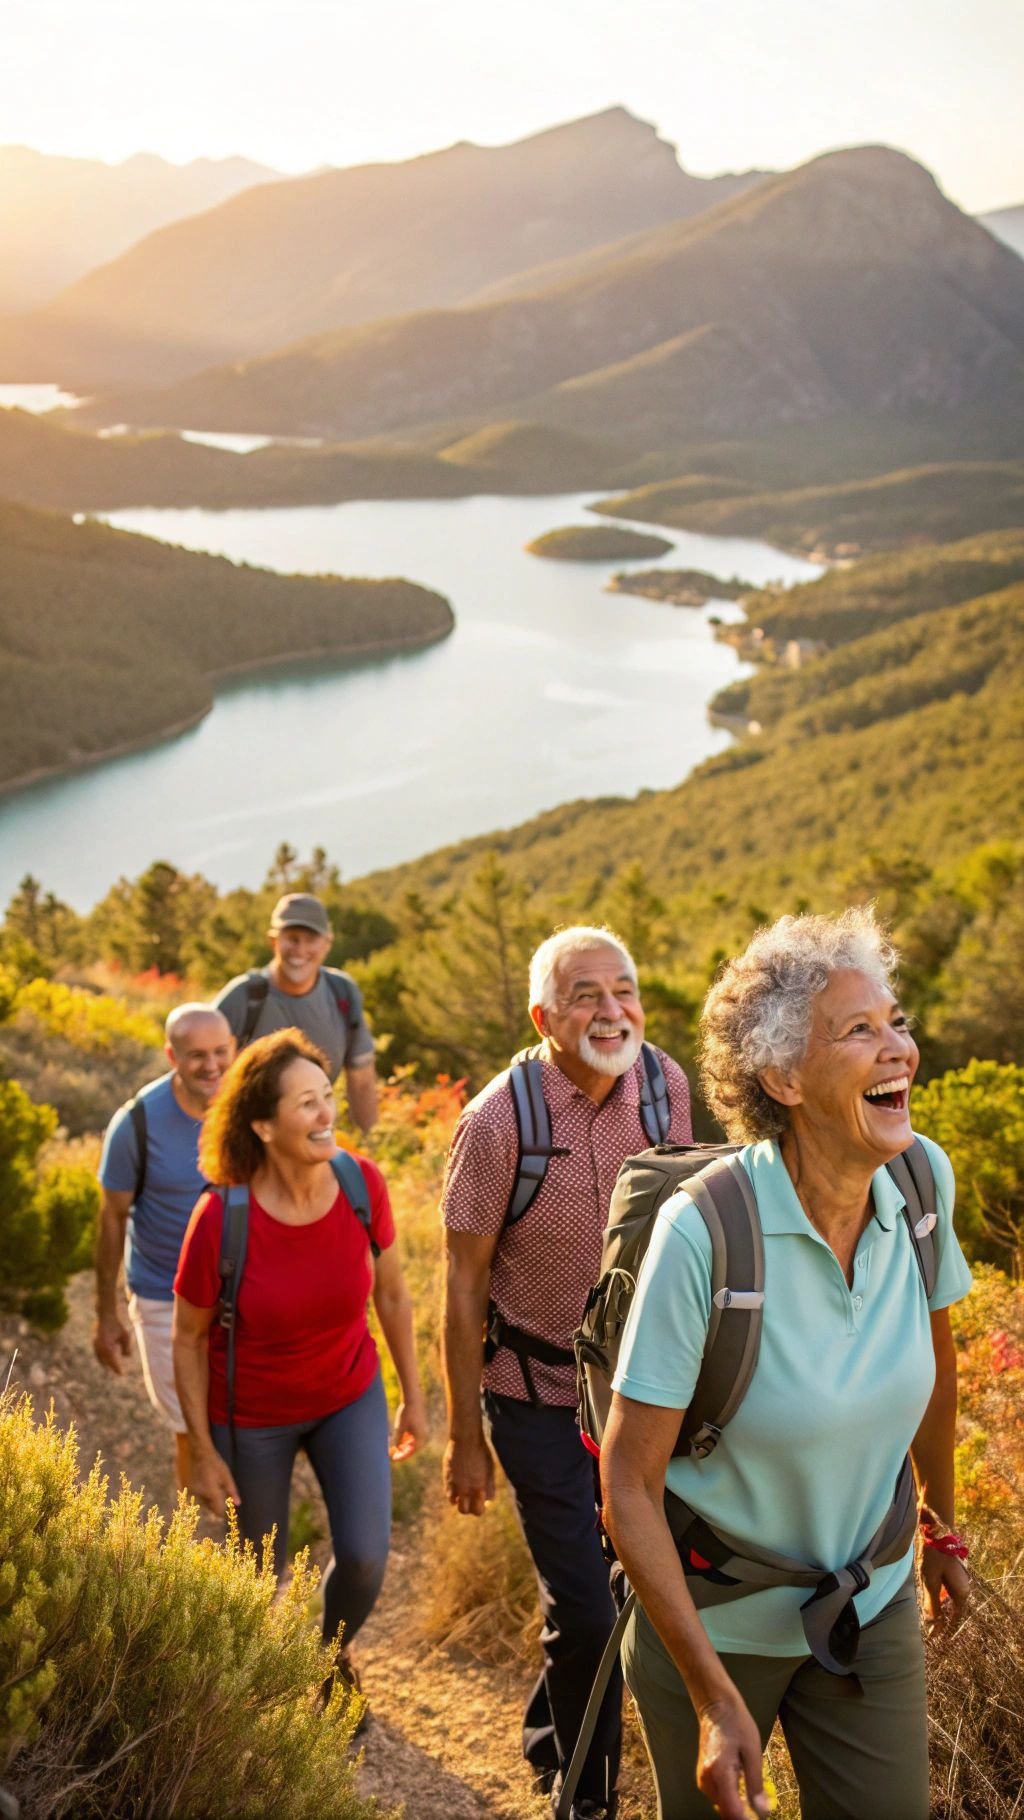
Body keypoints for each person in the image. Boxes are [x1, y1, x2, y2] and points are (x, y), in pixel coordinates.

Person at [601, 908, 973, 1820]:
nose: (898, 1050)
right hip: (713, 1623)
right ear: (782, 1078)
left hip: (869, 1602)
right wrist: (710, 1694)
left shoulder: (922, 1182)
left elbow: (935, 1365)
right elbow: (628, 1484)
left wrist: (940, 1530)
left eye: (896, 1022)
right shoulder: (707, 1232)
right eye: (859, 1031)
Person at [441, 926, 693, 1820]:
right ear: (544, 1015)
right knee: (588, 1608)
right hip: (534, 1395)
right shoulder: (497, 1122)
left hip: (645, 1397)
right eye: (585, 994)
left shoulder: (667, 1090)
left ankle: (554, 1732)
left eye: (622, 989)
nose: (610, 1009)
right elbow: (464, 1280)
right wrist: (465, 1436)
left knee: (635, 1592)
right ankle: (587, 1800)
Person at [173, 1028, 426, 1683]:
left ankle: (326, 1661)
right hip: (251, 1414)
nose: (327, 1114)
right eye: (306, 1104)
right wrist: (200, 1447)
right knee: (261, 1572)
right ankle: (241, 1702)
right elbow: (188, 1337)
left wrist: (415, 1401)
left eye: (327, 1096)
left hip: (348, 1394)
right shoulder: (221, 1217)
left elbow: (393, 1299)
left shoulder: (361, 1183)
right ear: (261, 1125)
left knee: (367, 1556)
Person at [94, 1004, 235, 1489]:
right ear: (171, 1055)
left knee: (245, 1426)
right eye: (197, 1055)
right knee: (191, 1430)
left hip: (240, 1294)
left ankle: (250, 1541)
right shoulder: (136, 1123)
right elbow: (112, 1217)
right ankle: (193, 1553)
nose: (212, 1065)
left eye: (221, 1052)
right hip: (163, 1297)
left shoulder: (249, 1109)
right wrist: (106, 1313)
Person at [214, 892, 378, 1132]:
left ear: (327, 943)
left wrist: (369, 1146)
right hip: (251, 1141)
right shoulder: (243, 998)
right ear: (273, 941)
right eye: (292, 938)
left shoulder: (342, 993)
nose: (300, 949)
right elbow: (204, 1081)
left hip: (317, 1138)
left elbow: (362, 1082)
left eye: (311, 938)